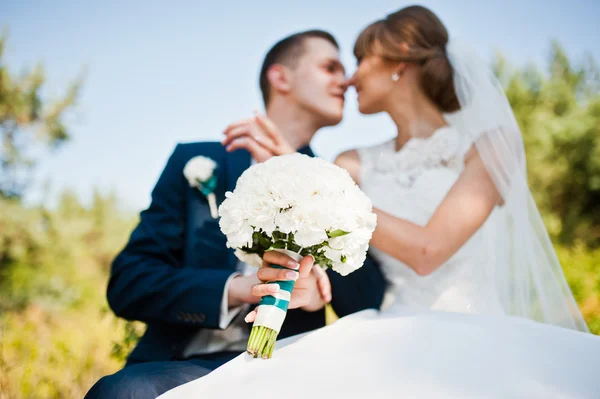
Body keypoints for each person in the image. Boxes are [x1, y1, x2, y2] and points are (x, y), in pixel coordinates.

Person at [158, 6, 600, 398]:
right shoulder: (351, 163)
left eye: (361, 59)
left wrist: (322, 188)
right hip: (380, 332)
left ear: (401, 59)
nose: (351, 78)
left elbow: (428, 251)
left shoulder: (491, 145)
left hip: (475, 330)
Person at [84, 29, 386, 399]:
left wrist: (315, 285)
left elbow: (368, 299)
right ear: (281, 77)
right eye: (330, 67)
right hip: (179, 365)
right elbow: (129, 283)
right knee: (125, 393)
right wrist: (238, 289)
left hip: (287, 369)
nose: (347, 79)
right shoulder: (195, 162)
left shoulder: (334, 187)